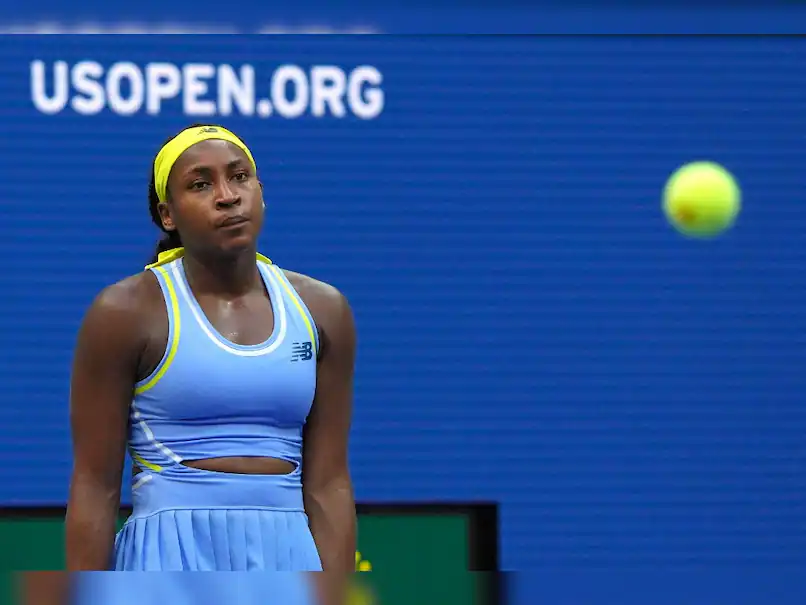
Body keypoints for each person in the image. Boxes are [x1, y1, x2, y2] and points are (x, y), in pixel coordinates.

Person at [64, 124, 356, 588]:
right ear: (167, 214)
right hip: (166, 557)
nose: (227, 196)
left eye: (239, 177)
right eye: (201, 184)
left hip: (289, 557)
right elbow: (94, 487)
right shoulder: (122, 314)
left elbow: (329, 482)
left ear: (260, 190)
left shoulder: (324, 310)